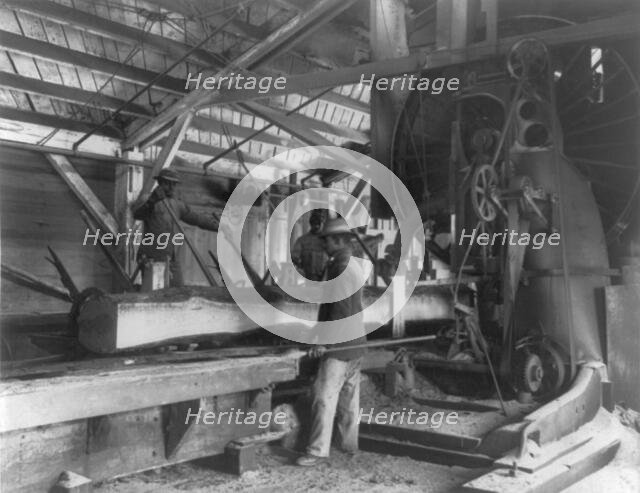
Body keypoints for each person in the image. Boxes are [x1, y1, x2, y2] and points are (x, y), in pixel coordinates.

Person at [296, 217, 368, 467]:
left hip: (340, 346)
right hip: (356, 341)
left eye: (326, 240)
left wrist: (325, 343)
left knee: (323, 398)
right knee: (349, 398)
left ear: (338, 240)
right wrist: (316, 335)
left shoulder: (340, 266)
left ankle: (316, 451)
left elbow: (339, 309)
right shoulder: (354, 263)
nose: (323, 244)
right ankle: (348, 445)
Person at [133, 169, 219, 288]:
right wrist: (152, 201)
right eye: (167, 183)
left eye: (174, 184)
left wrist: (219, 227)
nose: (171, 187)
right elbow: (137, 215)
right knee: (155, 294)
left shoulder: (177, 204)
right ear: (160, 182)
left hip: (171, 258)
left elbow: (197, 219)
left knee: (178, 292)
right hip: (152, 258)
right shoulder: (148, 200)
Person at [291, 209, 328, 281]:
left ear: (323, 223)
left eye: (318, 223)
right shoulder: (302, 240)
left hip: (326, 279)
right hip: (308, 277)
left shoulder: (328, 240)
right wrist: (301, 269)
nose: (316, 226)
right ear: (311, 223)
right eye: (314, 223)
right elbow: (294, 258)